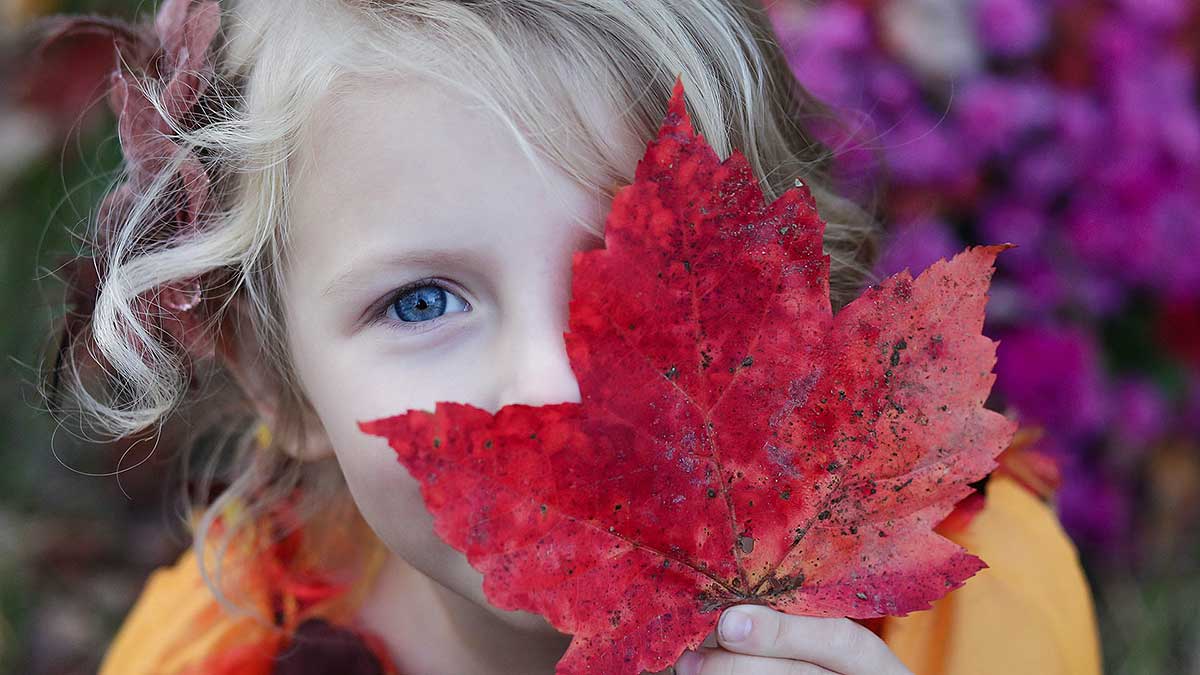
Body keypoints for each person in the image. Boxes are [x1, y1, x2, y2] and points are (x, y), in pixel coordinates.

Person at [34, 0, 1102, 673]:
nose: (555, 384)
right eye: (420, 303)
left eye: (631, 271)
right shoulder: (216, 654)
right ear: (278, 382)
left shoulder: (975, 609)